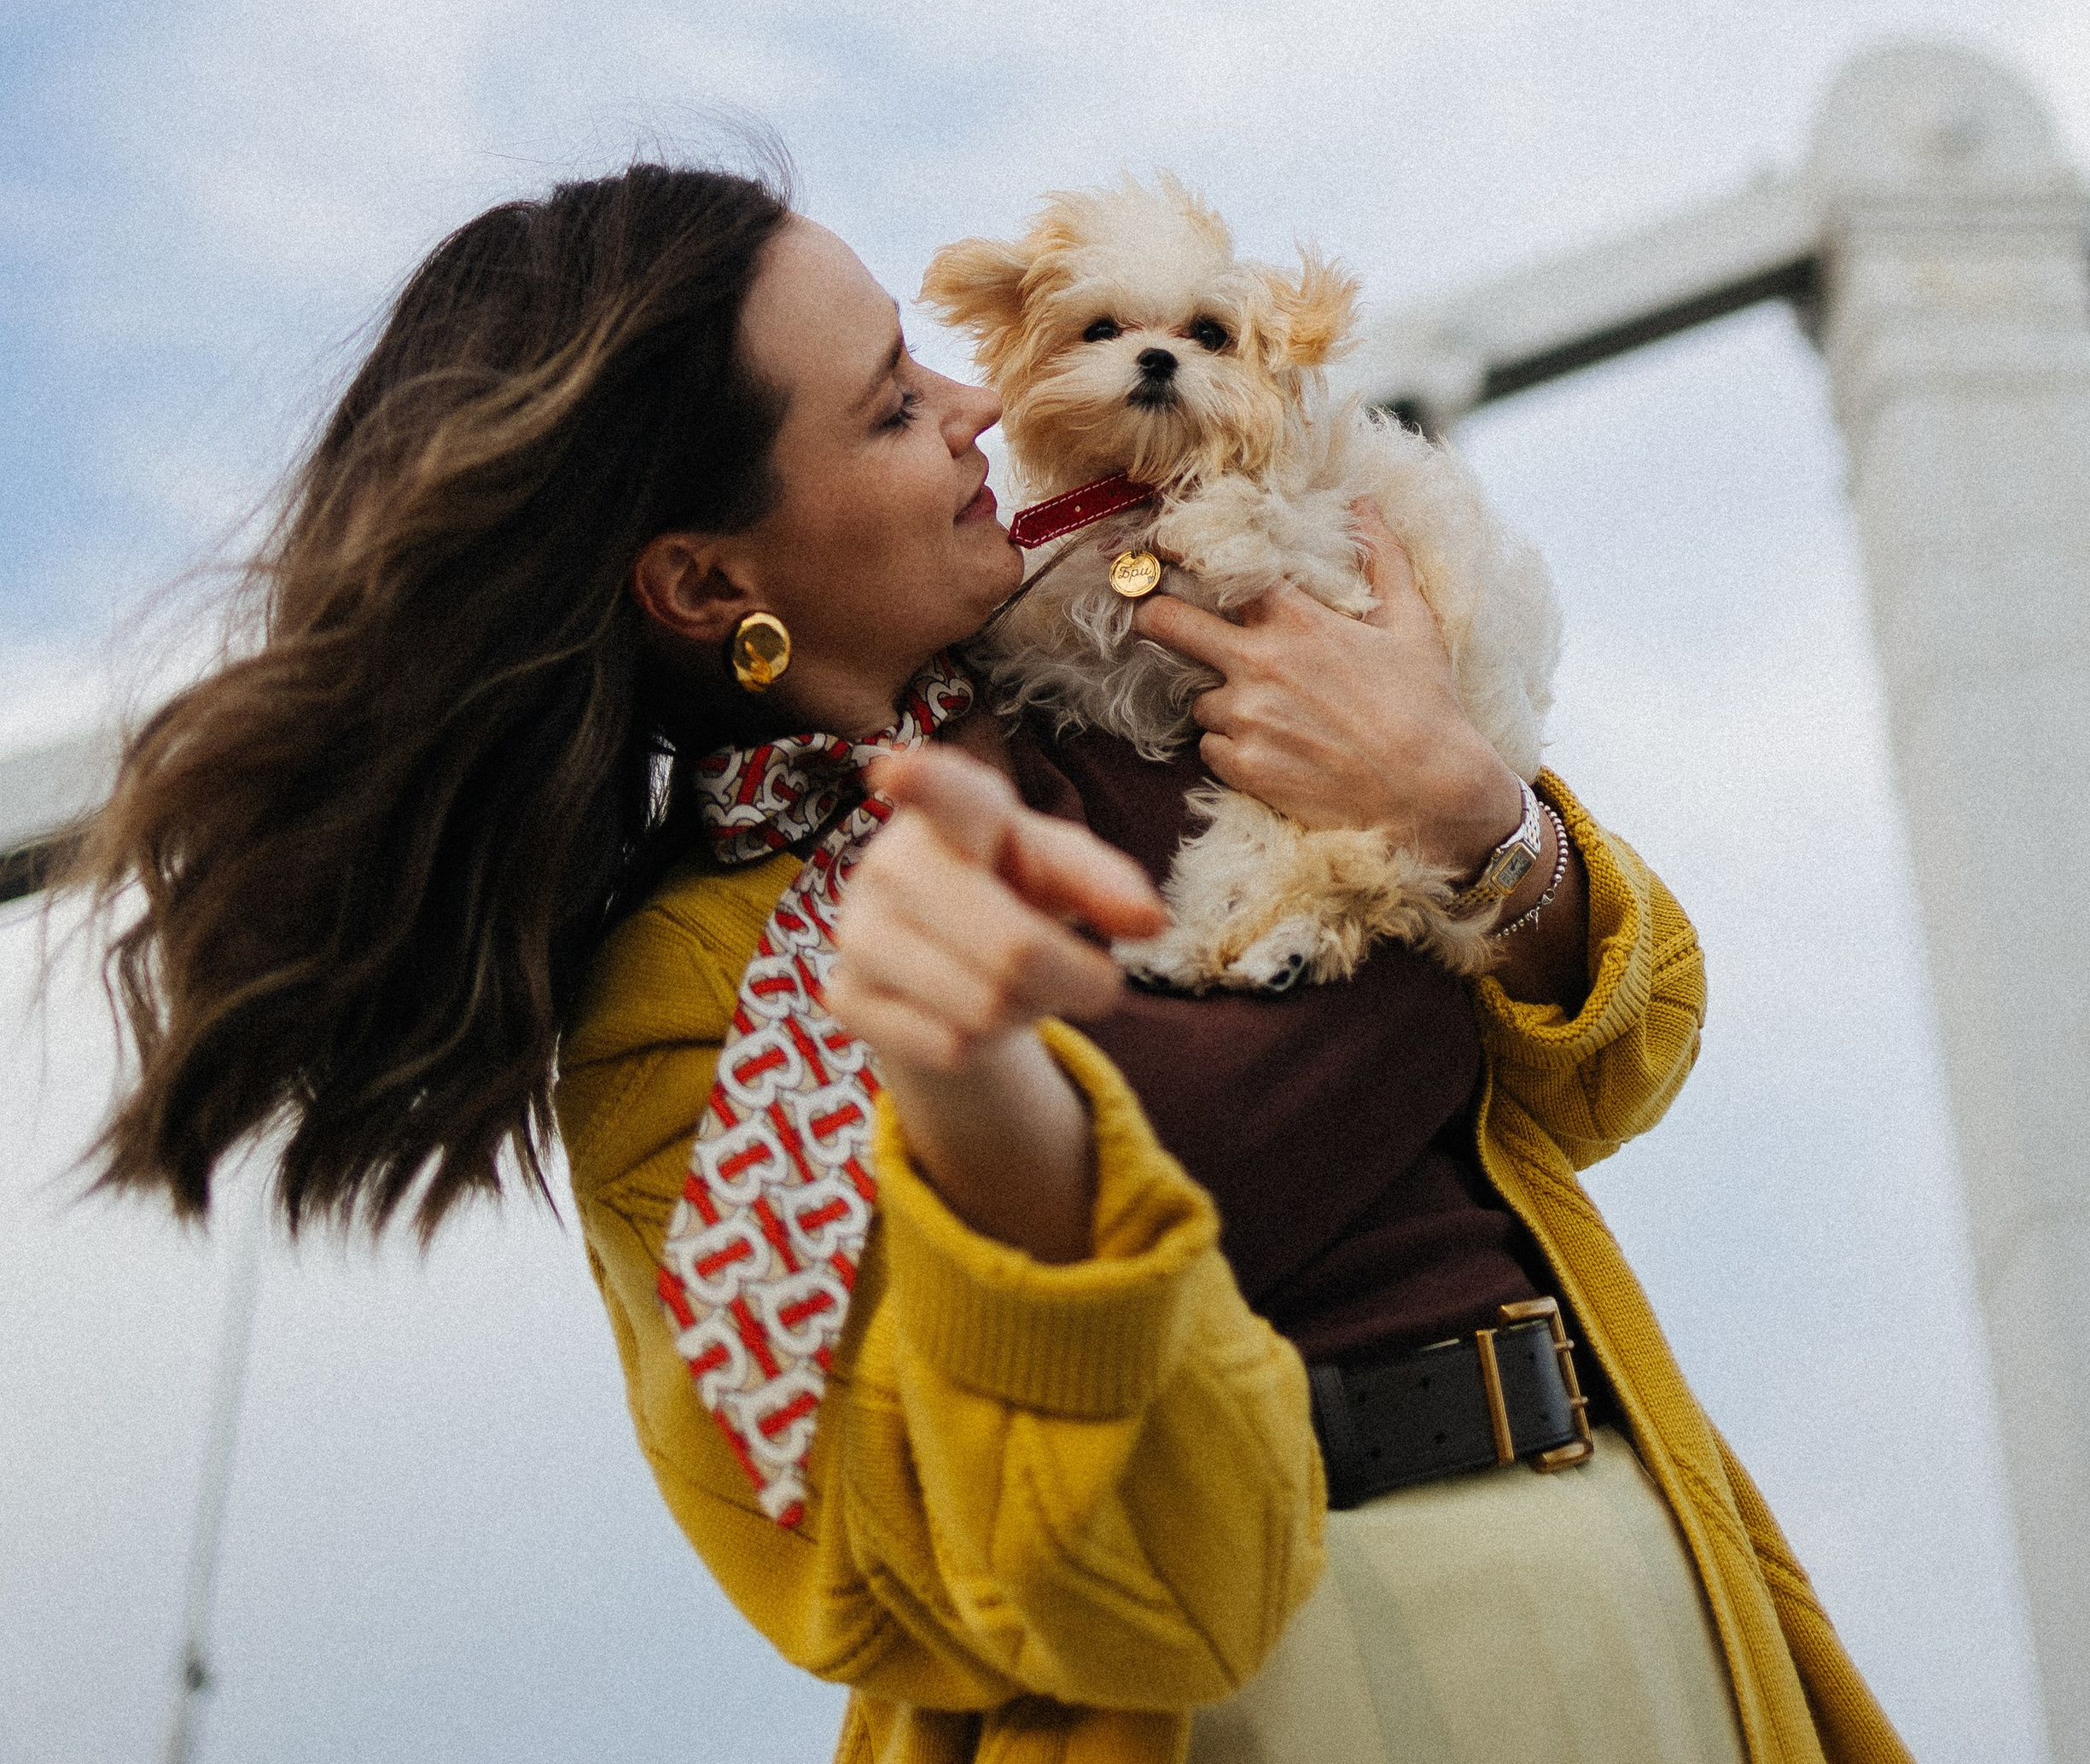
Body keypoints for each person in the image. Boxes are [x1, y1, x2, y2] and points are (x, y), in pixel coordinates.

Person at [78, 161, 1911, 1764]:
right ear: (710, 585)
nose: (974, 406)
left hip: (1634, 1591)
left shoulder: (1161, 667)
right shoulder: (691, 1020)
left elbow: (1608, 1069)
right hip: (1240, 1710)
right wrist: (1000, 1110)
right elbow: (1012, 1579)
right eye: (887, 405)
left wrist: (1470, 813)